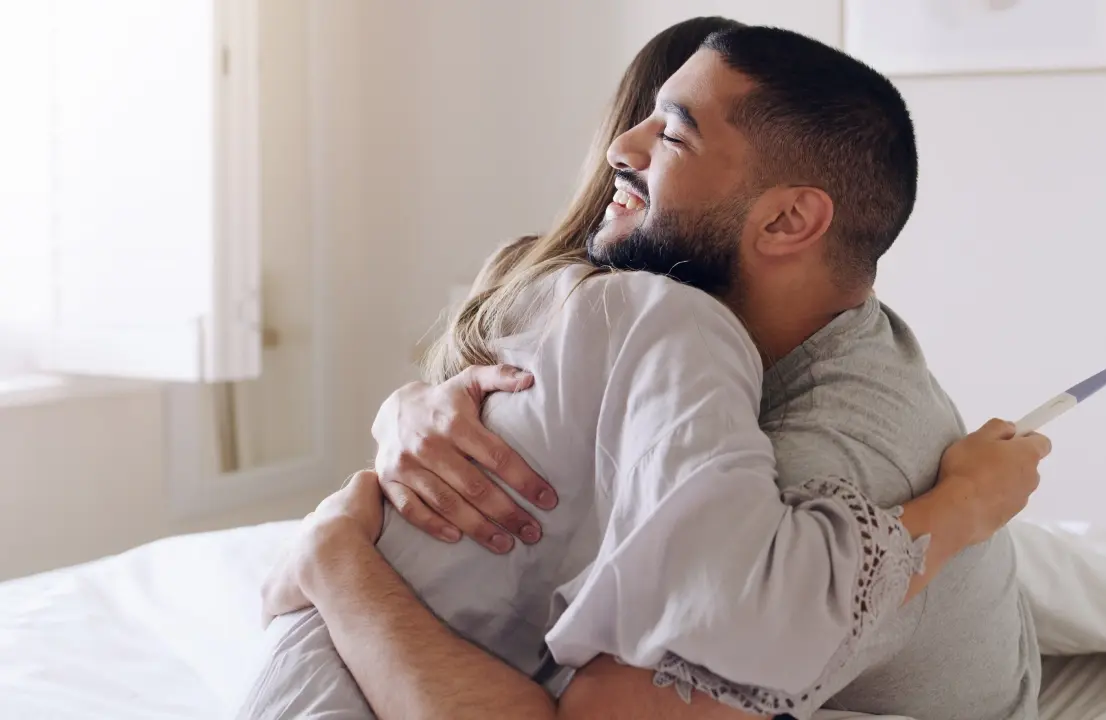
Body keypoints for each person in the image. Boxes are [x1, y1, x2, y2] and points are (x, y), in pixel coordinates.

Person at [241, 21, 1048, 720]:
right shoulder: (666, 335)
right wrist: (416, 408)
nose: (618, 151)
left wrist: (337, 566)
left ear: (789, 218)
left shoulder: (833, 455)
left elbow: (605, 712)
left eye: (670, 133)